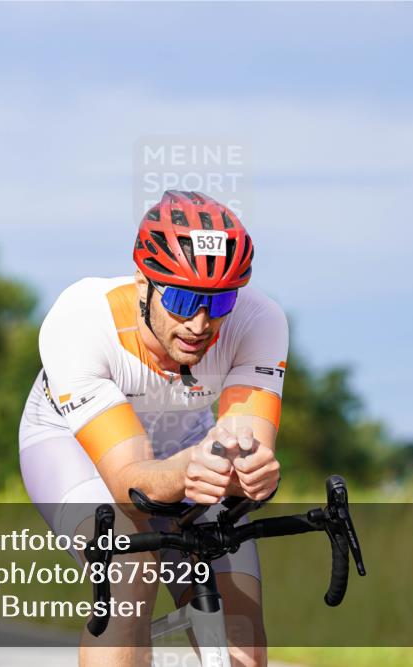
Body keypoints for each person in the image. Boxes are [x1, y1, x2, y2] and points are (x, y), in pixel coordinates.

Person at [18, 190, 288, 667]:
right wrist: (188, 470)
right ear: (144, 283)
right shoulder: (81, 320)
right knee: (130, 572)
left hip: (186, 444)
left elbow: (247, 443)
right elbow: (127, 483)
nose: (201, 324)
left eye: (220, 301)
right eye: (182, 299)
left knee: (240, 628)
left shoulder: (259, 319)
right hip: (75, 446)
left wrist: (254, 473)